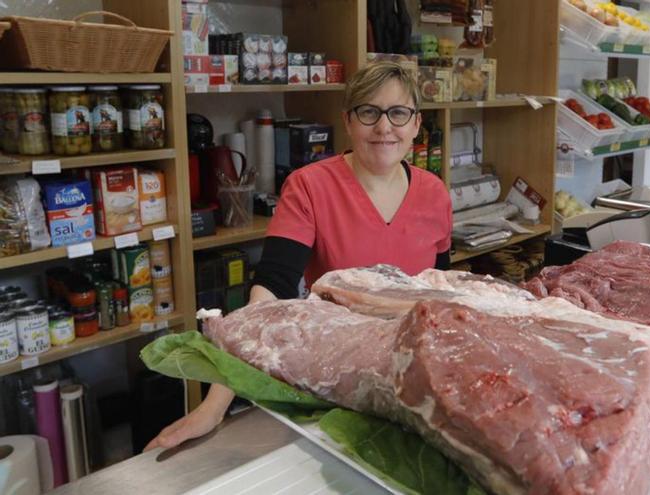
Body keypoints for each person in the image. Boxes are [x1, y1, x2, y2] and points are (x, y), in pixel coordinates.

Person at [145, 62, 452, 451]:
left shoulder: (435, 193)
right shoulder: (310, 186)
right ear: (348, 121)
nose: (384, 127)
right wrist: (215, 404)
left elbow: (442, 294)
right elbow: (270, 292)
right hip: (338, 378)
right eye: (369, 112)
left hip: (415, 381)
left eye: (398, 113)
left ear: (416, 124)